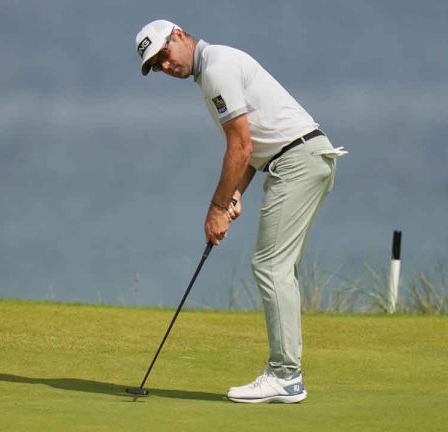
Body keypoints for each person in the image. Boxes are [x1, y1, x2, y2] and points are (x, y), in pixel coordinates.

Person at [135, 19, 347, 404]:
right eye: (156, 66)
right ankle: (287, 374)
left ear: (179, 35)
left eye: (164, 54)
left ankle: (285, 376)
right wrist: (234, 193)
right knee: (277, 266)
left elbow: (241, 146)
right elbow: (252, 146)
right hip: (301, 158)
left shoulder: (216, 68)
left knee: (270, 266)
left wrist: (217, 207)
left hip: (297, 161)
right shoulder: (212, 70)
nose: (166, 66)